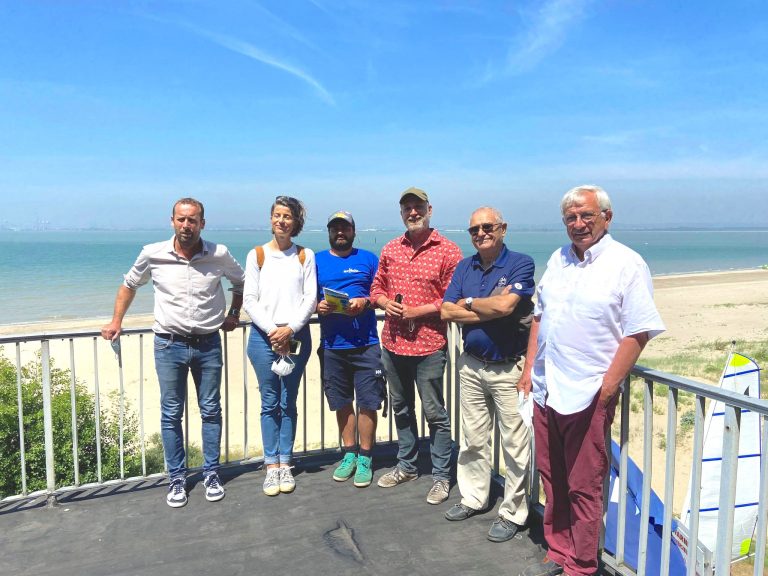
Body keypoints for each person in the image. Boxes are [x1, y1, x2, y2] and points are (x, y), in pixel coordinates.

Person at [519, 185, 665, 576]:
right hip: (548, 388)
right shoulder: (558, 259)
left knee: (584, 485)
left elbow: (639, 332)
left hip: (587, 393)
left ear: (606, 217)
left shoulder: (626, 264)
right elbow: (539, 317)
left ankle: (582, 564)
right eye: (571, 217)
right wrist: (529, 369)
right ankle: (558, 548)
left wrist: (608, 388)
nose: (578, 224)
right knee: (552, 477)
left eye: (586, 216)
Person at [101, 197, 245, 508]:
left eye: (192, 220)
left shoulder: (218, 254)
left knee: (211, 410)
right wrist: (116, 321)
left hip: (208, 344)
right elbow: (129, 285)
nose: (186, 225)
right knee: (170, 414)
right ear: (172, 221)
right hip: (168, 344)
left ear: (202, 224)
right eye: (181, 219)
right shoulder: (152, 254)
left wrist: (234, 313)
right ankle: (177, 478)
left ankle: (211, 473)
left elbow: (240, 281)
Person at [440, 206, 534, 542]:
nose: (481, 233)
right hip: (472, 365)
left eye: (487, 227)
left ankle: (512, 513)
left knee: (515, 445)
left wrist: (469, 304)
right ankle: (475, 498)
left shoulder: (521, 262)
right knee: (472, 439)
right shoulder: (465, 266)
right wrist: (482, 306)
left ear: (502, 228)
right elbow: (446, 310)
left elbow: (506, 307)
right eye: (474, 230)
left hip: (510, 369)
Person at [370, 186, 463, 505]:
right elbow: (376, 286)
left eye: (418, 207)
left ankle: (441, 476)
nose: (413, 212)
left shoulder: (448, 250)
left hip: (429, 346)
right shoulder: (391, 248)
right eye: (407, 208)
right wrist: (384, 302)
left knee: (435, 413)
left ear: (429, 209)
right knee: (401, 408)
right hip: (393, 345)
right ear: (401, 213)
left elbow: (453, 297)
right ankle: (407, 466)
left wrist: (416, 311)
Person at [243, 196, 316, 497]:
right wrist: (274, 331)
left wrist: (290, 330)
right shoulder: (257, 254)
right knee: (269, 401)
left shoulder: (304, 255)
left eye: (287, 216)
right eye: (277, 215)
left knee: (289, 400)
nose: (281, 221)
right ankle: (271, 464)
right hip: (264, 338)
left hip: (296, 336)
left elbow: (310, 298)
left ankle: (286, 461)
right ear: (270, 218)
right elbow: (249, 299)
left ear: (296, 222)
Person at [315, 210, 385, 488]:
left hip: (366, 343)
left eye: (345, 228)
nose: (340, 232)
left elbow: (381, 295)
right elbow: (305, 298)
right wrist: (316, 306)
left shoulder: (368, 258)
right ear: (330, 232)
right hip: (333, 345)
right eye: (335, 228)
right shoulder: (316, 260)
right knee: (341, 402)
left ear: (354, 231)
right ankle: (349, 454)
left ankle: (366, 457)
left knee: (369, 402)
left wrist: (365, 302)